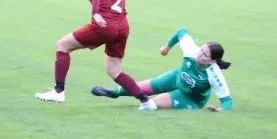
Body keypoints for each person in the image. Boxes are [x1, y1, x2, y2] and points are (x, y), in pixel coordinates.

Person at [35, 0, 157, 110]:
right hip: (123, 26)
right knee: (114, 71)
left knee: (62, 45)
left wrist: (96, 13)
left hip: (105, 24)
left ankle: (58, 91)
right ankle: (147, 102)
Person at [91, 28, 233, 110]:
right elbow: (181, 32)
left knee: (155, 103)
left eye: (204, 54)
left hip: (190, 98)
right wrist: (166, 48)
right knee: (140, 88)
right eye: (201, 49)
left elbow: (227, 100)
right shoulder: (192, 50)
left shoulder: (214, 74)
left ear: (212, 60)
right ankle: (114, 93)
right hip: (176, 78)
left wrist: (221, 109)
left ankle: (145, 107)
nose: (199, 54)